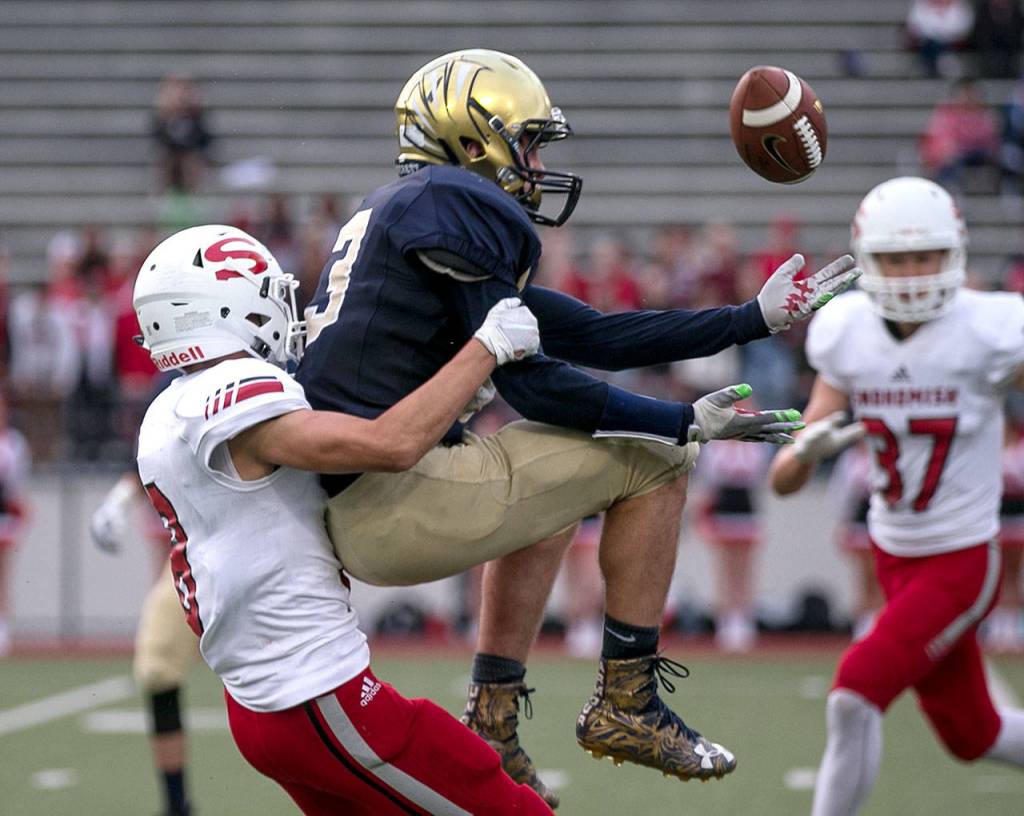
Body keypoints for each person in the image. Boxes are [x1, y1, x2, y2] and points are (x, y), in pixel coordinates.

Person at [294, 48, 860, 805]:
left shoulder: (410, 208)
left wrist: (749, 318)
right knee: (652, 461)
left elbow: (592, 333)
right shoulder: (457, 206)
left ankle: (492, 717)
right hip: (386, 494)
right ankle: (627, 702)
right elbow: (534, 386)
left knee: (556, 491)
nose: (533, 163)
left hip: (366, 491)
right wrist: (679, 423)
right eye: (525, 142)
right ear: (472, 143)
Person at [132, 224, 552, 814]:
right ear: (225, 306)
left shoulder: (164, 414)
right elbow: (391, 444)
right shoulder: (231, 394)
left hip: (259, 705)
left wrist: (452, 399)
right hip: (317, 696)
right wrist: (484, 348)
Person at [767, 176, 1024, 816]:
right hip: (894, 558)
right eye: (896, 258)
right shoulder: (847, 331)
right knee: (976, 735)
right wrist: (807, 447)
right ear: (867, 258)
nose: (912, 273)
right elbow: (783, 478)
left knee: (853, 694)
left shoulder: (990, 328)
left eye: (926, 256)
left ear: (955, 253)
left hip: (962, 559)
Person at [0, 390, 30, 656]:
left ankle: (2, 627)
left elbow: (17, 485)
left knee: (2, 573)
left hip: (3, 517)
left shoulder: (14, 444)